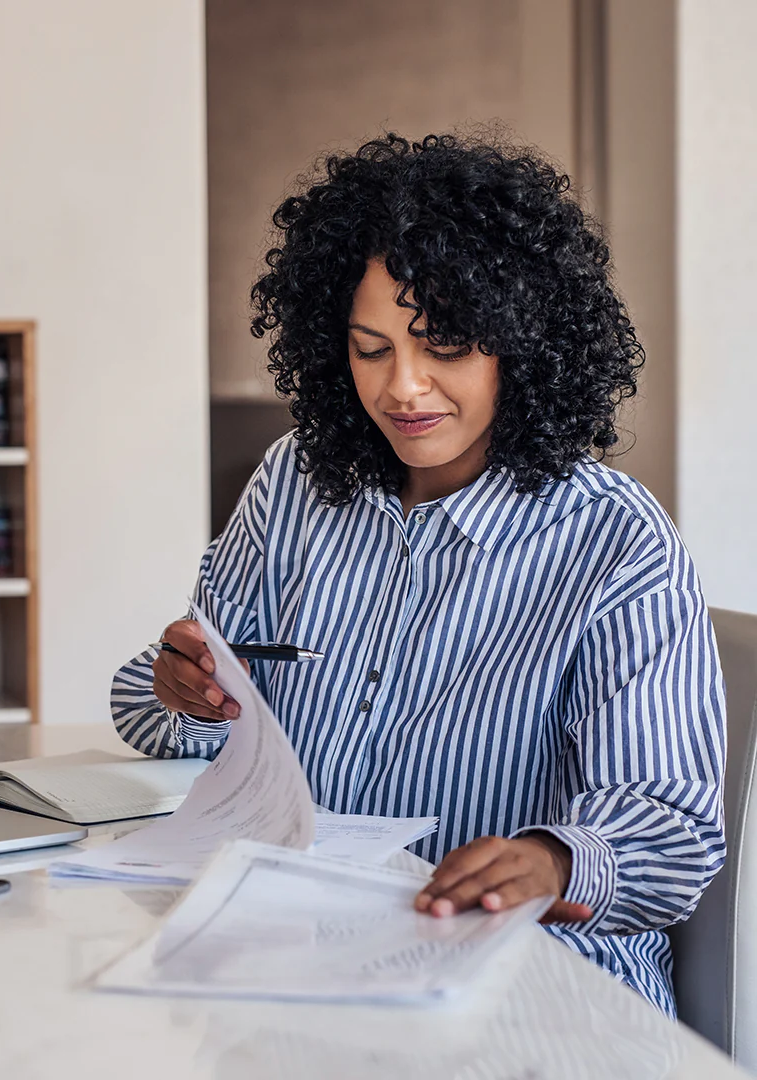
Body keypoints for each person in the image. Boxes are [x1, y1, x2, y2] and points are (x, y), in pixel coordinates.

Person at [110, 132, 725, 1014]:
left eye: (446, 346)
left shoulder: (615, 541)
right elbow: (188, 726)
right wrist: (185, 692)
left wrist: (553, 861)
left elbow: (671, 831)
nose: (403, 387)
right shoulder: (291, 484)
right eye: (372, 350)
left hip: (535, 991)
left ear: (523, 345)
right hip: (302, 961)